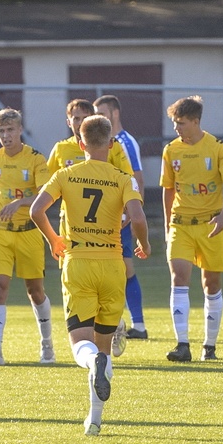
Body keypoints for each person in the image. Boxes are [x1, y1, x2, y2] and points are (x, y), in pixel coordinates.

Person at [31, 114, 150, 436]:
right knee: (105, 345)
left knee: (81, 344)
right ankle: (94, 420)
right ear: (111, 144)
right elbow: (137, 216)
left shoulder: (65, 174)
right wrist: (144, 243)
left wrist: (54, 239)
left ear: (80, 143)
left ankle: (90, 364)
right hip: (113, 265)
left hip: (78, 262)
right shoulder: (123, 178)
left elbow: (36, 210)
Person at [47, 98, 135, 357]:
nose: (77, 122)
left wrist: (122, 219)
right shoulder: (61, 150)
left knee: (83, 308)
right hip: (73, 234)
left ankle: (102, 336)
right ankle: (110, 329)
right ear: (68, 121)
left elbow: (38, 203)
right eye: (73, 118)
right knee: (97, 295)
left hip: (96, 237)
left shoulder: (114, 152)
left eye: (81, 117)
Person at [160, 95, 223, 362]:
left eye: (181, 123)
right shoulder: (171, 150)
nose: (176, 128)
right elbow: (168, 190)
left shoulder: (218, 148)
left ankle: (209, 346)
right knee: (179, 278)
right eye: (174, 123)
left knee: (211, 284)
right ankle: (182, 345)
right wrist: (166, 224)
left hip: (210, 225)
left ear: (196, 121)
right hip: (180, 224)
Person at [0, 108, 55, 366]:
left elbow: (46, 196)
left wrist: (20, 203)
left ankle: (47, 345)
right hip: (0, 232)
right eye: (1, 131)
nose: (6, 136)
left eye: (10, 130)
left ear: (20, 130)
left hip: (29, 233)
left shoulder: (35, 159)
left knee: (35, 291)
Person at [94, 94, 149, 339]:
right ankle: (116, 323)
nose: (100, 119)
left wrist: (131, 213)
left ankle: (137, 324)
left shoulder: (123, 141)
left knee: (125, 269)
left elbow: (137, 177)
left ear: (114, 114)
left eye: (103, 114)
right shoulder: (103, 140)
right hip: (104, 217)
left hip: (121, 217)